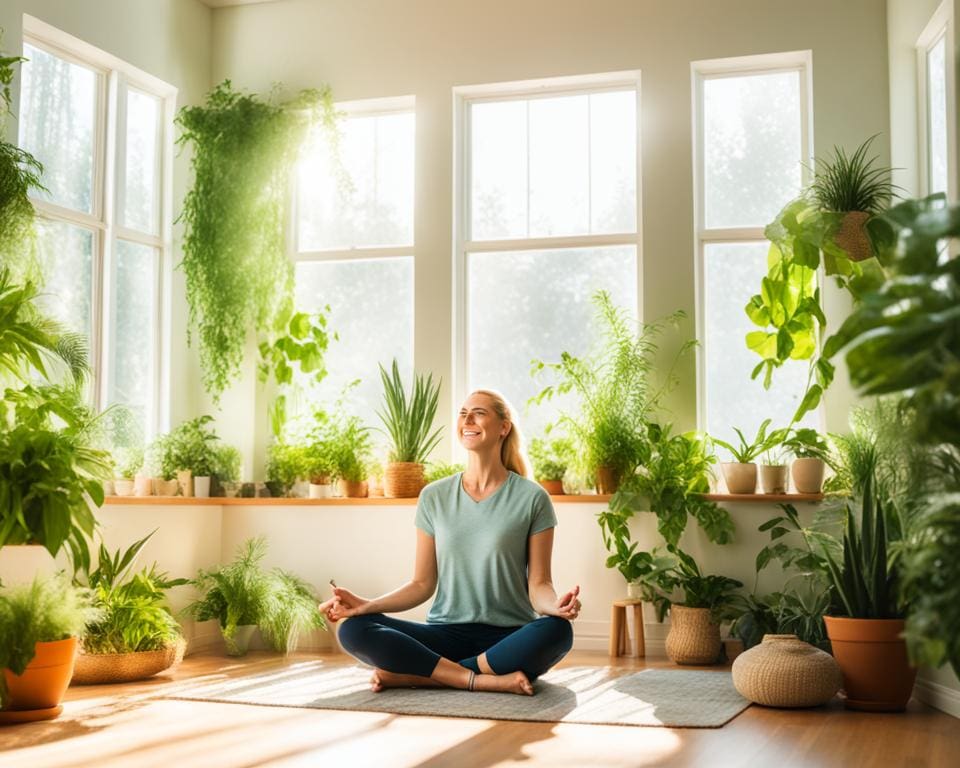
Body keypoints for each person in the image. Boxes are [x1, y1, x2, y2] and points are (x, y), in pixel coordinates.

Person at [319, 389, 580, 696]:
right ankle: (478, 678)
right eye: (463, 412)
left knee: (557, 631)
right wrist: (366, 605)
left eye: (479, 413)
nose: (467, 419)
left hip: (509, 638)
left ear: (504, 427)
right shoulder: (434, 496)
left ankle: (425, 675)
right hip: (444, 635)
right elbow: (421, 584)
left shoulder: (533, 498)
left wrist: (556, 606)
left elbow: (539, 584)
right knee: (353, 628)